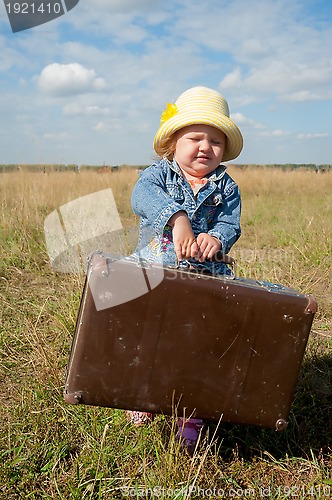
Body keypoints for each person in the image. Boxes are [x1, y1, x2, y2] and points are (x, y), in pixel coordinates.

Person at [127, 86, 243, 453]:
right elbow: (141, 197)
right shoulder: (157, 176)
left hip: (204, 277)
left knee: (196, 344)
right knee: (149, 336)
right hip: (156, 270)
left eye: (215, 141)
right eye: (195, 137)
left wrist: (216, 238)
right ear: (172, 143)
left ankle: (191, 414)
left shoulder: (226, 186)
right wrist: (178, 218)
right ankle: (142, 395)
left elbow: (230, 223)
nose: (205, 147)